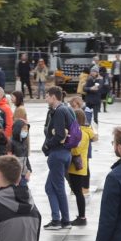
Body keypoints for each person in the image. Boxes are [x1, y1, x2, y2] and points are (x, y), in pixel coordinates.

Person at [42, 87, 74, 230]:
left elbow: (60, 134)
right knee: (50, 187)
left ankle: (63, 221)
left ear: (54, 97)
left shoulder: (60, 111)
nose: (46, 99)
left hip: (58, 153)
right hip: (65, 153)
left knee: (59, 188)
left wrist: (48, 145)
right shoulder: (66, 109)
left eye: (47, 96)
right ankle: (57, 218)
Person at [67, 108, 98, 226]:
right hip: (80, 165)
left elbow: (76, 148)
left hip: (77, 166)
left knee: (78, 192)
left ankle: (82, 217)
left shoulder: (80, 132)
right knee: (77, 191)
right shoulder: (85, 131)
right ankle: (81, 216)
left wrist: (67, 146)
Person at [10, 106, 32, 179]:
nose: (25, 131)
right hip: (15, 175)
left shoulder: (24, 142)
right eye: (23, 129)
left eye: (26, 130)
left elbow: (26, 158)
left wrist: (29, 170)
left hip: (24, 174)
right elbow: (9, 160)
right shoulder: (11, 142)